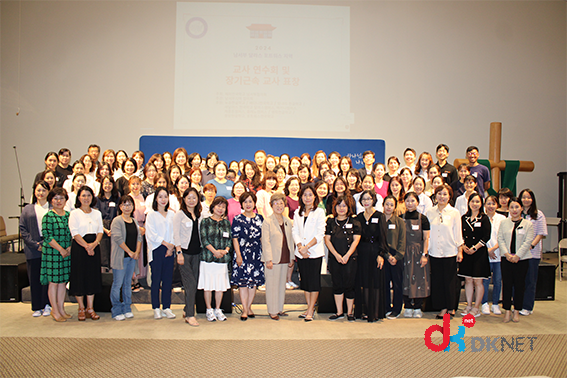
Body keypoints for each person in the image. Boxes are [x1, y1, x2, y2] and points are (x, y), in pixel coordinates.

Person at [426, 184, 463, 319]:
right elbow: (427, 234)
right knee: (438, 281)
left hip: (450, 251)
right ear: (435, 195)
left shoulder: (454, 213)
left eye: (445, 194)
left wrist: (460, 251)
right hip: (434, 251)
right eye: (439, 194)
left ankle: (451, 307)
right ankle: (442, 307)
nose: (442, 197)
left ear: (450, 196)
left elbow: (458, 233)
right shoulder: (430, 212)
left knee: (450, 281)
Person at [68, 186, 104, 321]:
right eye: (83, 195)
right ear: (79, 198)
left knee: (92, 277)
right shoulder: (74, 213)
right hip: (79, 248)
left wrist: (94, 245)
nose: (86, 198)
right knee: (79, 276)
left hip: (94, 247)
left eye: (89, 195)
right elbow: (74, 232)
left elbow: (100, 230)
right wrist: (86, 246)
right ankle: (81, 308)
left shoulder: (97, 213)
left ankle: (90, 308)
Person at [497, 197, 534, 323]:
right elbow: (500, 239)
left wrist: (517, 255)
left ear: (521, 209)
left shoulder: (528, 224)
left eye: (517, 207)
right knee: (507, 285)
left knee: (519, 285)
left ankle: (517, 310)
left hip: (522, 259)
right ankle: (507, 311)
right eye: (512, 207)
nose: (514, 210)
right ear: (508, 209)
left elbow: (527, 241)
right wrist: (507, 254)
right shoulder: (504, 223)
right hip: (506, 258)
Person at [324, 195, 361, 322]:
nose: (341, 208)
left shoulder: (355, 222)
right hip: (335, 258)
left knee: (349, 285)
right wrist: (337, 255)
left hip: (350, 258)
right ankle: (339, 312)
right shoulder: (330, 222)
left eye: (344, 205)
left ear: (348, 207)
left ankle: (350, 312)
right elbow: (327, 240)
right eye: (339, 205)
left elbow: (356, 240)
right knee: (337, 285)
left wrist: (346, 256)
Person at [292, 185, 326, 322]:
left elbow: (320, 233)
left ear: (314, 197)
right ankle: (308, 307)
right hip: (301, 253)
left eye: (310, 195)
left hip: (314, 252)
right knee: (305, 282)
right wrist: (300, 247)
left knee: (314, 282)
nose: (307, 198)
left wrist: (307, 247)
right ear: (301, 197)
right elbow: (294, 231)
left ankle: (311, 309)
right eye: (305, 195)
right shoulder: (297, 212)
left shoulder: (319, 212)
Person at [354, 190, 388, 322]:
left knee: (375, 282)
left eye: (369, 199)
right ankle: (366, 311)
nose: (366, 201)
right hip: (362, 252)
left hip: (375, 251)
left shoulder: (380, 216)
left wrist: (381, 254)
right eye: (364, 199)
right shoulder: (359, 217)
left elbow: (383, 237)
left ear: (374, 200)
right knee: (364, 282)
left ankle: (375, 312)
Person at [231, 192, 265, 320]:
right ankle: (245, 309)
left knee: (253, 283)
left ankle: (249, 306)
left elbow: (262, 237)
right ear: (242, 204)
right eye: (245, 202)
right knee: (243, 283)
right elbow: (235, 239)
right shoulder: (237, 219)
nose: (248, 204)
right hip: (242, 253)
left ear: (255, 203)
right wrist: (238, 255)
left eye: (250, 201)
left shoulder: (260, 218)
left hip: (256, 254)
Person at [40, 187, 72, 321]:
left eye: (61, 198)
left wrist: (69, 248)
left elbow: (72, 233)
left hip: (67, 252)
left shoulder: (68, 215)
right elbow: (47, 236)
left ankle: (61, 309)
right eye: (55, 198)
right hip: (53, 253)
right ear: (51, 200)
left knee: (62, 282)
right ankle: (55, 310)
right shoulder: (48, 216)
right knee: (53, 282)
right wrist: (61, 249)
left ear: (66, 200)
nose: (59, 201)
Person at [20, 181, 51, 317]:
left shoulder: (52, 208)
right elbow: (23, 229)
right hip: (32, 249)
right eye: (38, 190)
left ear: (48, 192)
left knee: (48, 278)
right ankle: (37, 306)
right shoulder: (27, 209)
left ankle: (47, 304)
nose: (41, 193)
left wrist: (44, 244)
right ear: (34, 192)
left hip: (49, 248)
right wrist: (35, 244)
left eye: (44, 190)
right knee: (35, 278)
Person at [261, 193, 295, 320]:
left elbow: (290, 240)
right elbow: (265, 241)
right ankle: (272, 310)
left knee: (281, 285)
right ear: (271, 205)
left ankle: (280, 309)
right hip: (272, 260)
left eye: (281, 203)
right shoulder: (267, 221)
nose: (279, 206)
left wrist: (292, 257)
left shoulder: (287, 221)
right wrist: (268, 259)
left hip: (285, 257)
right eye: (276, 203)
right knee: (272, 286)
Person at [199, 196, 233, 322]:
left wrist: (225, 251)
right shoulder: (205, 221)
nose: (220, 209)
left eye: (223, 207)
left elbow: (229, 240)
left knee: (220, 286)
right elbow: (204, 239)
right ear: (213, 207)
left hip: (222, 259)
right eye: (218, 206)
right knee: (208, 285)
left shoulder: (226, 223)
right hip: (208, 258)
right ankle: (209, 309)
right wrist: (214, 251)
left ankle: (218, 309)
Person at [457, 193, 491, 318]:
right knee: (468, 280)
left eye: (477, 202)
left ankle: (477, 307)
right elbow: (459, 233)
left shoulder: (484, 218)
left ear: (481, 204)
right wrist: (463, 246)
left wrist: (475, 248)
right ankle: (469, 305)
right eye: (472, 201)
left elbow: (486, 236)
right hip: (466, 252)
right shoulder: (463, 218)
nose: (475, 204)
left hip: (479, 253)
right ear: (468, 202)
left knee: (478, 281)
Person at [145, 186, 176, 320]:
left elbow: (175, 232)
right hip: (157, 249)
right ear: (156, 199)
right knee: (156, 280)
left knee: (168, 280)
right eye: (160, 197)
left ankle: (167, 307)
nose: (163, 199)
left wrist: (171, 247)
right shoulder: (151, 215)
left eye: (165, 196)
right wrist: (166, 244)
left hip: (170, 250)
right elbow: (151, 234)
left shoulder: (172, 214)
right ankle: (156, 308)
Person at [173, 187, 202, 326]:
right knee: (190, 284)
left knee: (194, 284)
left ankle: (186, 308)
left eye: (194, 198)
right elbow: (176, 234)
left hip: (197, 253)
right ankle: (190, 315)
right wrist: (178, 252)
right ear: (184, 199)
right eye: (188, 198)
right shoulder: (180, 214)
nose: (191, 200)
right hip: (184, 253)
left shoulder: (200, 214)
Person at [110, 195, 142, 321]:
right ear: (120, 207)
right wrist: (129, 252)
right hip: (120, 258)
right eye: (124, 204)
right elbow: (118, 239)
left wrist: (137, 252)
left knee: (128, 284)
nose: (127, 207)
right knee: (117, 284)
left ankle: (127, 308)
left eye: (129, 204)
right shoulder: (117, 221)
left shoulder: (134, 221)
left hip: (132, 258)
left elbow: (139, 237)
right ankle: (117, 309)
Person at [519, 189, 547, 317]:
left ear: (532, 199)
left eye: (529, 197)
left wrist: (530, 246)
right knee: (519, 280)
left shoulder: (538, 214)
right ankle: (518, 304)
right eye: (524, 197)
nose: (526, 200)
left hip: (532, 253)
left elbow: (541, 233)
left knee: (530, 280)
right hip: (518, 253)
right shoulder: (516, 212)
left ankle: (527, 306)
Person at [401, 192, 430, 318]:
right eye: (407, 201)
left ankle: (418, 306)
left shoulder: (423, 218)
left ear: (417, 203)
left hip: (418, 251)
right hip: (404, 251)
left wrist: (424, 254)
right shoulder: (401, 218)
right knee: (405, 277)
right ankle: (407, 306)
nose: (410, 203)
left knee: (419, 278)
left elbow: (426, 238)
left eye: (413, 201)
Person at [481, 195, 506, 315]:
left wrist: (493, 249)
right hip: (484, 254)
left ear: (497, 205)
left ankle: (495, 304)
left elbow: (503, 237)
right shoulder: (481, 218)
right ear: (484, 205)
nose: (491, 206)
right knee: (485, 280)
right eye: (488, 203)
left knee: (497, 280)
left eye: (493, 203)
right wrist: (487, 250)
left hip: (498, 254)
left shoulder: (502, 219)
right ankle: (484, 303)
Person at [382, 195, 406, 319]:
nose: (389, 207)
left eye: (391, 205)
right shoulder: (379, 220)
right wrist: (387, 256)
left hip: (397, 257)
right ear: (383, 205)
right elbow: (378, 241)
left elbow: (402, 241)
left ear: (395, 207)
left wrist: (396, 257)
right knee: (384, 283)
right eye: (387, 204)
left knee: (397, 284)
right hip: (384, 256)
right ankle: (386, 307)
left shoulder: (400, 222)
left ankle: (397, 308)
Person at [95, 176, 120, 272]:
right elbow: (96, 217)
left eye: (109, 183)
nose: (107, 186)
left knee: (114, 254)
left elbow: (119, 215)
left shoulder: (117, 199)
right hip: (101, 229)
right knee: (103, 254)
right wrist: (105, 229)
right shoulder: (97, 200)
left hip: (115, 228)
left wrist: (113, 229)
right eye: (105, 183)